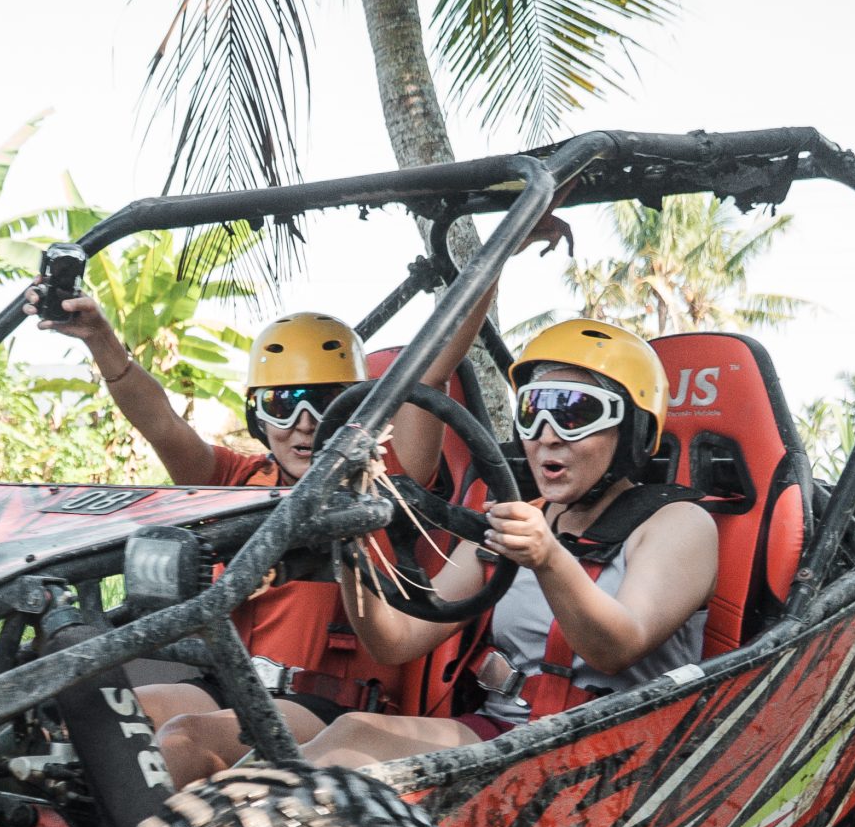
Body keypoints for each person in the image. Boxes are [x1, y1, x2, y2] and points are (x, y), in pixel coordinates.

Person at [22, 285, 492, 783]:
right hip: (230, 682)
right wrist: (99, 337)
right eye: (283, 403)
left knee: (186, 740)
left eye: (328, 402)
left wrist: (494, 262)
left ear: (362, 408)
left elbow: (434, 368)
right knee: (102, 718)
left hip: (326, 704)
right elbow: (159, 421)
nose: (305, 425)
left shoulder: (389, 479)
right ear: (257, 415)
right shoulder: (239, 480)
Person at [293, 317, 719, 769]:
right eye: (535, 414)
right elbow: (395, 641)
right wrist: (350, 544)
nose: (549, 435)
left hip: (619, 753)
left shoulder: (679, 524)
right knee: (350, 735)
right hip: (507, 736)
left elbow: (617, 648)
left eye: (576, 415)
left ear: (631, 430)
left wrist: (547, 557)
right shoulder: (516, 522)